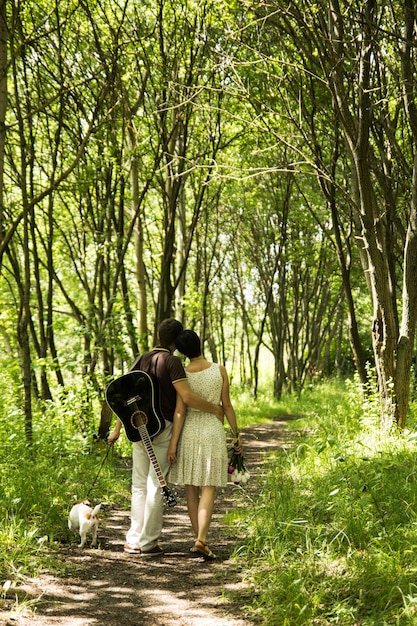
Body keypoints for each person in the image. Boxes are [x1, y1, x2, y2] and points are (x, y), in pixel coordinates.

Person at [107, 318, 224, 557]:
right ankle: (148, 543)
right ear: (176, 341)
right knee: (155, 484)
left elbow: (126, 396)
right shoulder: (172, 362)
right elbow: (187, 397)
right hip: (161, 429)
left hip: (136, 427)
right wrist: (215, 409)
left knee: (139, 485)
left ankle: (133, 540)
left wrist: (117, 428)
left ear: (159, 336)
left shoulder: (141, 358)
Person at [167, 329, 242, 561]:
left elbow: (180, 411)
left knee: (191, 486)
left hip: (189, 430)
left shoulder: (182, 374)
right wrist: (236, 435)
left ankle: (197, 539)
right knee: (208, 486)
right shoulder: (219, 369)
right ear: (200, 344)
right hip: (212, 430)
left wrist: (173, 444)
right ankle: (202, 539)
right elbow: (226, 405)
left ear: (181, 351)